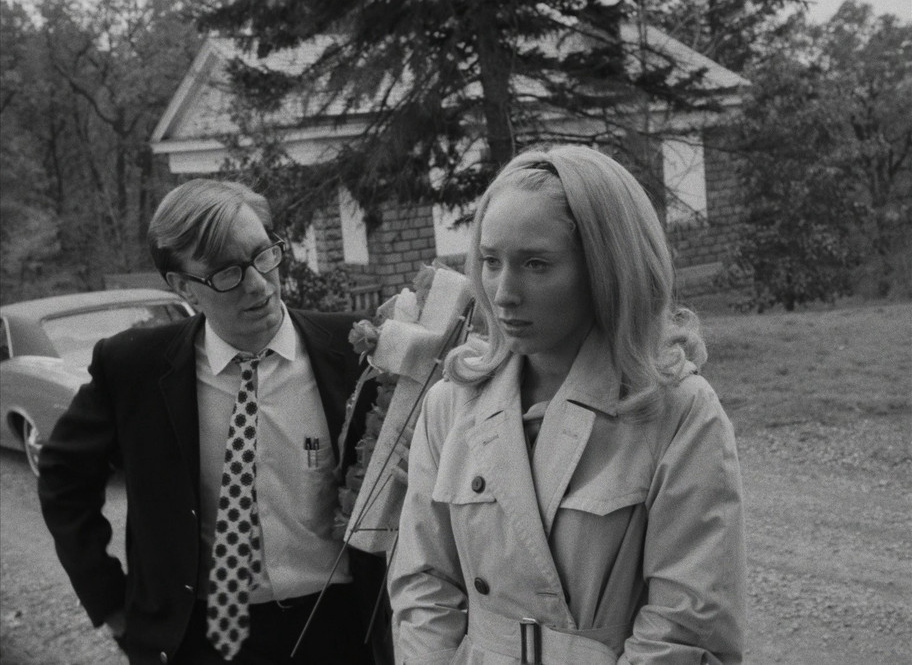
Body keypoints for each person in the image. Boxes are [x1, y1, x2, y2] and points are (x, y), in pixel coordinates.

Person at [388, 145, 746, 664]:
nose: (503, 292)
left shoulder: (677, 411)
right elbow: (423, 587)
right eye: (490, 262)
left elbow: (688, 626)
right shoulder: (450, 404)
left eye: (536, 264)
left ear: (605, 269)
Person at [39, 179, 390, 665]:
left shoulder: (355, 353)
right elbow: (63, 478)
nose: (259, 284)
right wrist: (110, 603)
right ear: (183, 287)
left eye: (263, 255)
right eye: (227, 273)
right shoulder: (134, 369)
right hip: (199, 638)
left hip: (339, 629)